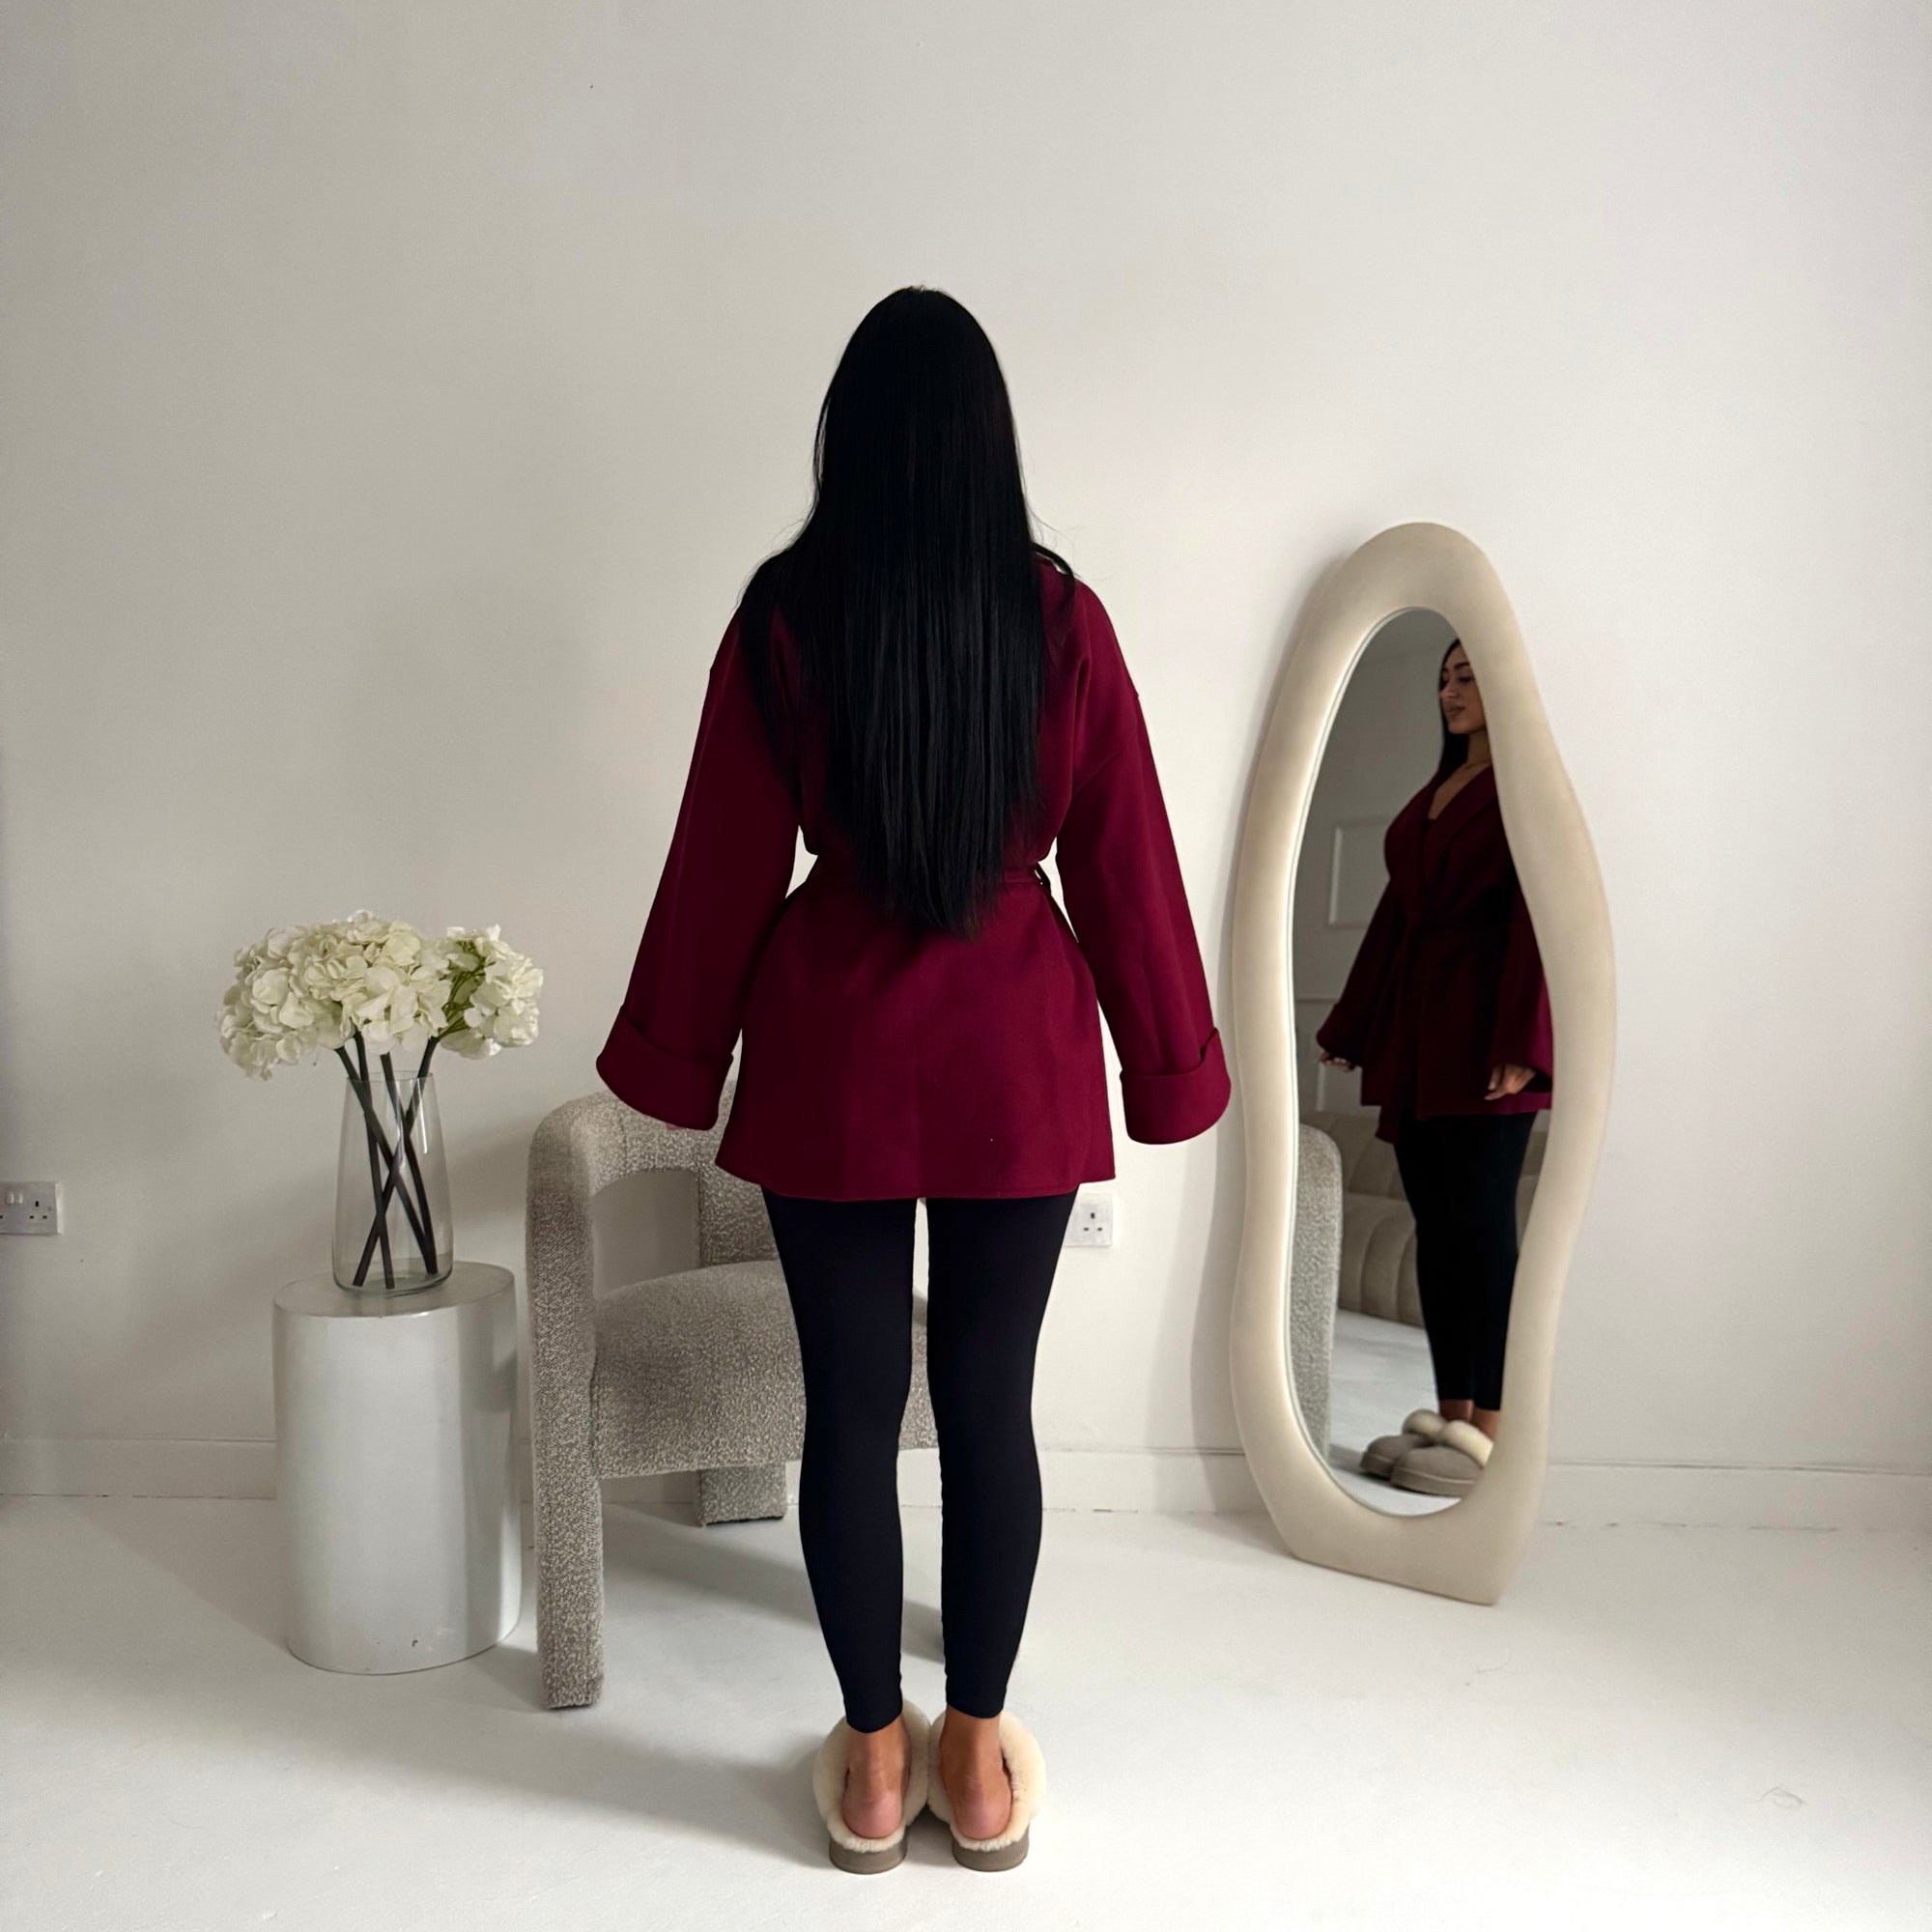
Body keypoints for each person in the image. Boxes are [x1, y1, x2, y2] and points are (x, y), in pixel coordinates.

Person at [595, 287, 1228, 1871]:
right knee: (991, 1408)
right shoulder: (1060, 618)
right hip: (1018, 1053)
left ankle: (875, 1769)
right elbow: (1130, 864)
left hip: (835, 1053)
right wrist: (1169, 1066)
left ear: (851, 437)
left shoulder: (786, 616)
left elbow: (721, 862)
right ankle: (982, 1766)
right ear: (989, 441)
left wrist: (677, 1056)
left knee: (851, 1410)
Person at [1314, 636, 1552, 1498]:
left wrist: (1523, 1042)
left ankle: (1495, 1428)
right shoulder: (1436, 792)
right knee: (1438, 1230)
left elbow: (1539, 914)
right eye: (1443, 677)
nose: (1450, 691)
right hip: (1420, 1033)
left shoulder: (1527, 791)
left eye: (1468, 676)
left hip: (1486, 1032)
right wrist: (1356, 1024)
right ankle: (1450, 1415)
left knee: (1483, 1229)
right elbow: (1394, 918)